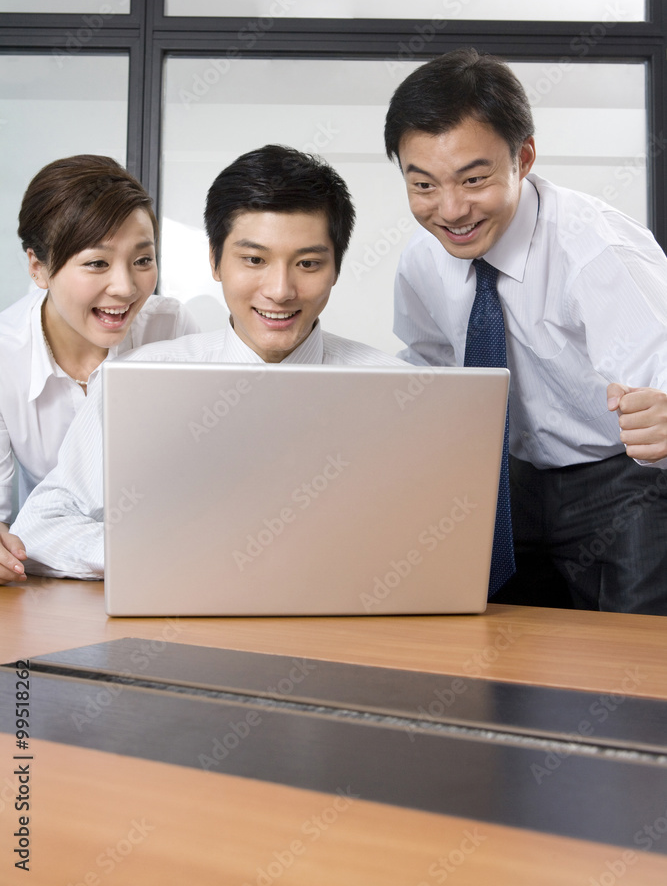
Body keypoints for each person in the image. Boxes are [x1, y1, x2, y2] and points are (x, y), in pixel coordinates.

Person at [13, 145, 406, 579]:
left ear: (335, 269)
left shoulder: (403, 391)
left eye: (308, 263)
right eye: (254, 260)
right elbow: (42, 525)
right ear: (215, 262)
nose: (279, 290)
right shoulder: (141, 378)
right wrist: (164, 553)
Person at [385, 47, 667, 615]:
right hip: (500, 482)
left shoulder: (597, 252)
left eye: (474, 178)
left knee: (638, 662)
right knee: (501, 649)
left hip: (617, 484)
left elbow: (660, 387)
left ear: (525, 157)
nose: (452, 209)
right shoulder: (423, 261)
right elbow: (431, 369)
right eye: (424, 185)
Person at [0, 155, 198, 585]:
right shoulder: (4, 357)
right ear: (38, 267)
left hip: (165, 573)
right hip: (53, 580)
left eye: (143, 260)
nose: (126, 288)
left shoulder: (171, 328)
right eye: (97, 263)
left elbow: (201, 476)